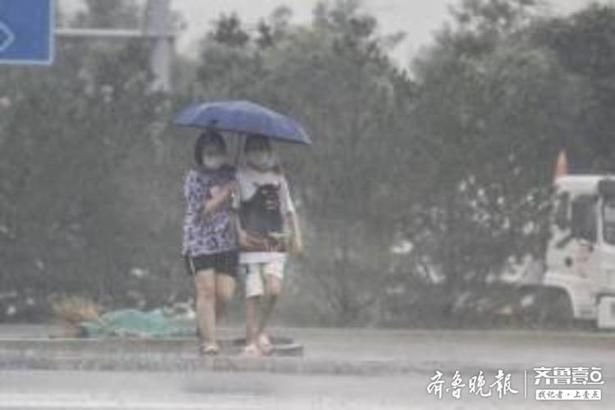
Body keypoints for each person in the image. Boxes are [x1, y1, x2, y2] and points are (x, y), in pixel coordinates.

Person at [237, 134, 303, 356]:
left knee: (273, 290)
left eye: (261, 149)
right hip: (250, 245)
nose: (258, 153)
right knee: (253, 294)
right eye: (253, 149)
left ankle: (259, 331)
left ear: (269, 151)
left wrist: (297, 237)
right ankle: (250, 342)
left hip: (275, 243)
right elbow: (233, 211)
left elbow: (289, 210)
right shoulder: (239, 177)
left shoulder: (279, 179)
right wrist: (238, 234)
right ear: (246, 153)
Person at [181, 131, 238, 356]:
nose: (214, 155)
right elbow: (201, 211)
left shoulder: (232, 175)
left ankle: (204, 326)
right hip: (199, 241)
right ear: (201, 154)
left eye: (217, 151)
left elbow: (239, 206)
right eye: (209, 152)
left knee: (224, 294)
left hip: (226, 241)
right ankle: (210, 342)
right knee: (207, 291)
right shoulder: (193, 178)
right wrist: (226, 192)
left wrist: (235, 191)